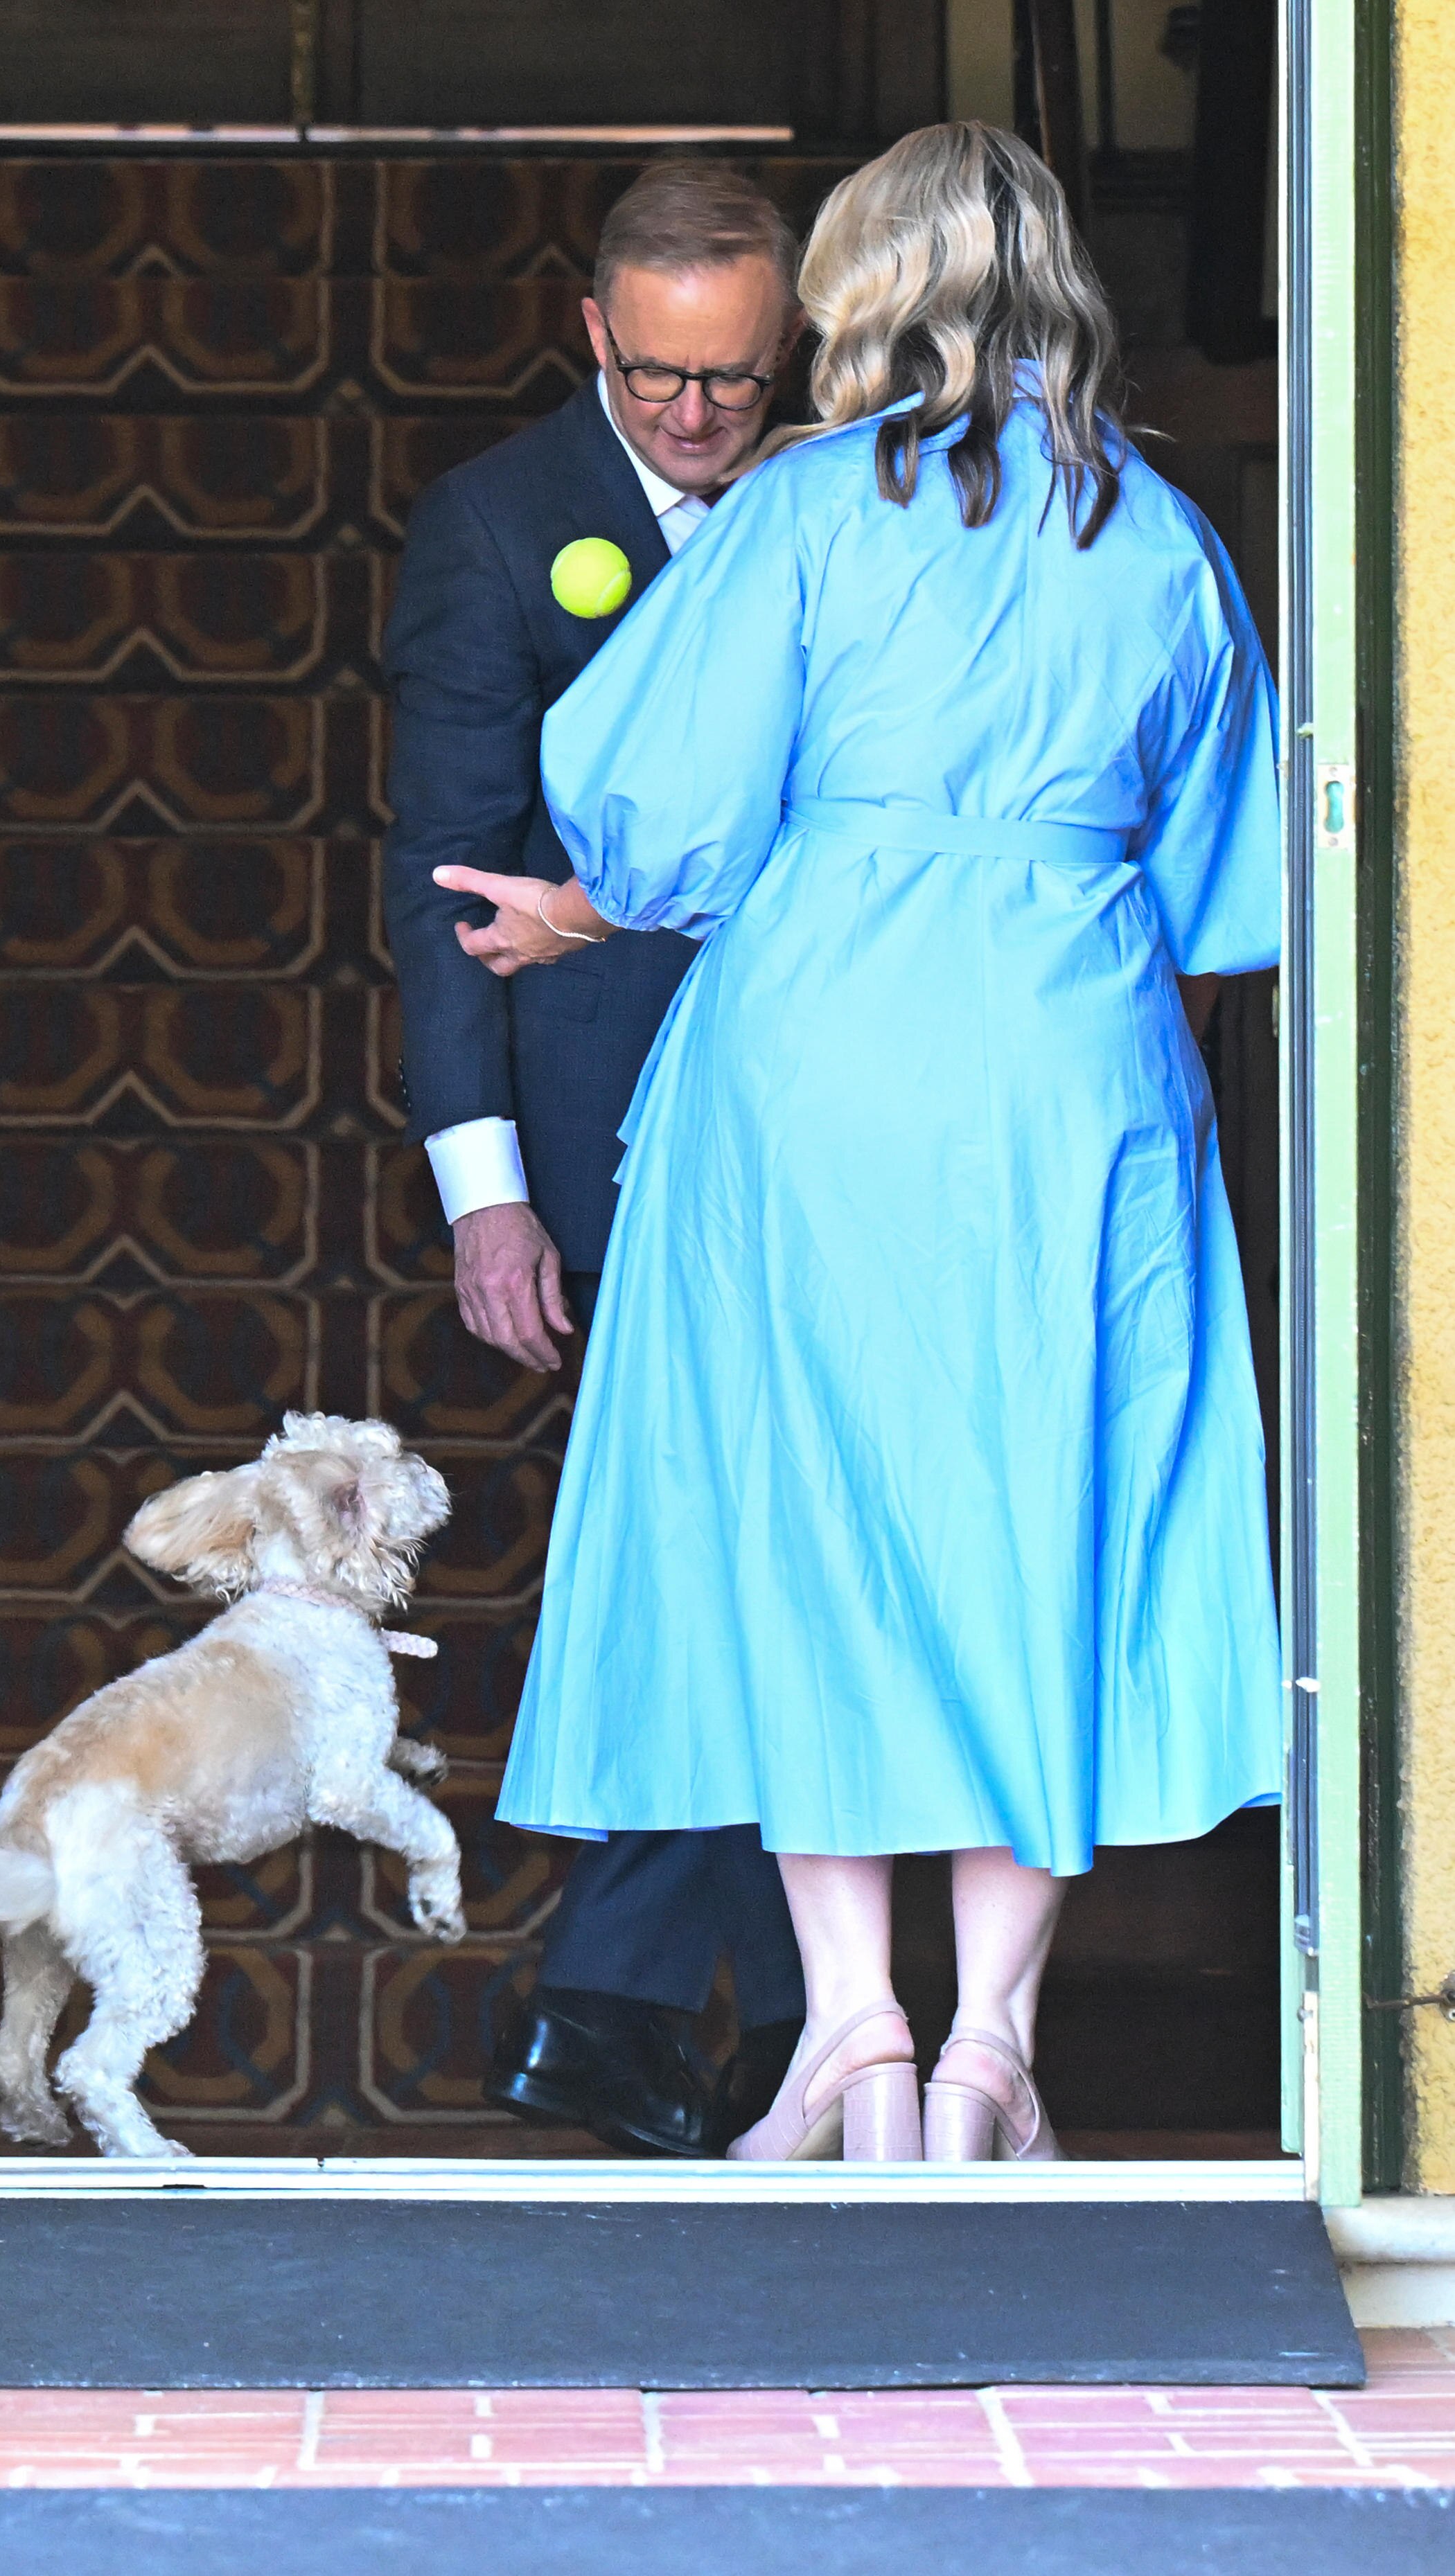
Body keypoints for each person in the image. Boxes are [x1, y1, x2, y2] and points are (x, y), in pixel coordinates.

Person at [436, 121, 1282, 2165]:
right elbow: (1237, 891)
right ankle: (996, 2039)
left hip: (815, 1061)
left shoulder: (804, 513)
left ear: (858, 292)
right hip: (1072, 1063)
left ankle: (857, 2035)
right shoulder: (1158, 533)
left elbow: (651, 811)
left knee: (798, 1519)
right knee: (1049, 1512)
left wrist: (610, 900)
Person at [382, 156, 809, 2157]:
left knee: (767, 1548)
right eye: (657, 377)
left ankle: (671, 2007)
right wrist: (487, 1193)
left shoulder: (853, 496)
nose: (697, 417)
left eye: (731, 376)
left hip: (833, 1097)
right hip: (613, 1126)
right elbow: (446, 879)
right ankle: (764, 2008)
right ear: (593, 333)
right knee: (732, 1547)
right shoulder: (494, 530)